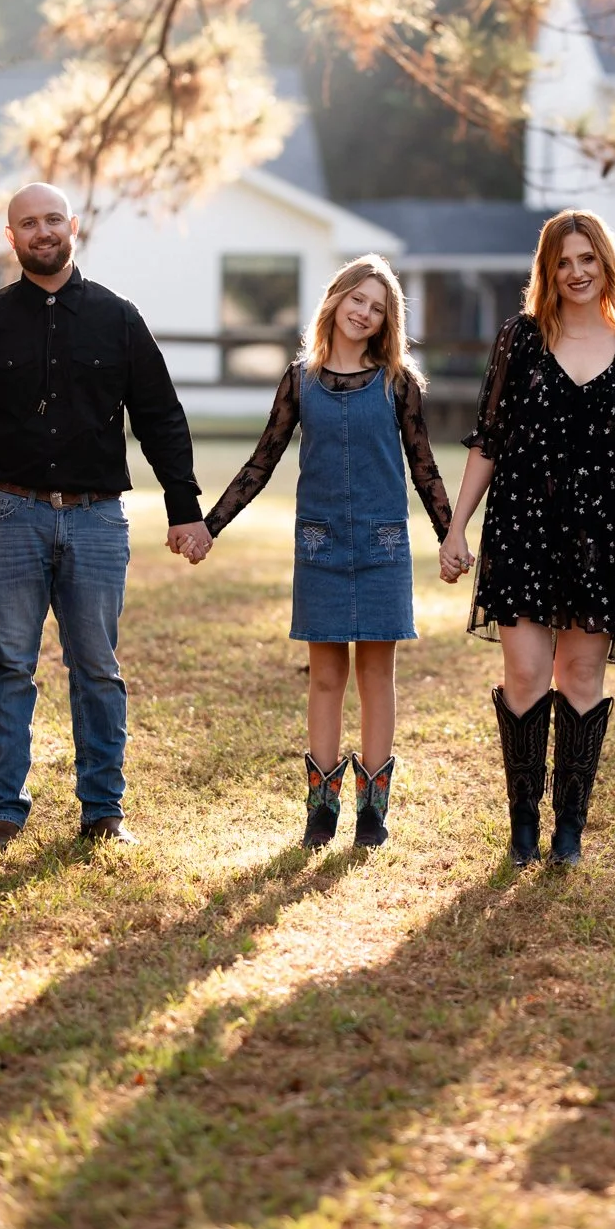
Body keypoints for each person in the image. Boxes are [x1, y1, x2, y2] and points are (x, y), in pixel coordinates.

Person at [0, 183, 212, 850]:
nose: (42, 231)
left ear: (73, 226)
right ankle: (2, 810)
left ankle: (103, 812)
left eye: (52, 218)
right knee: (11, 666)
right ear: (11, 237)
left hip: (96, 520)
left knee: (98, 668)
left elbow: (162, 420)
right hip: (6, 516)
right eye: (28, 223)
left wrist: (184, 508)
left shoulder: (118, 318)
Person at [439, 210, 615, 869]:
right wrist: (456, 526)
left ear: (606, 265)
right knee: (523, 672)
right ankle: (523, 829)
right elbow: (488, 440)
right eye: (562, 261)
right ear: (546, 271)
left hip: (603, 537)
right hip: (522, 528)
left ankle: (567, 833)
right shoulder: (520, 339)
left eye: (587, 260)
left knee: (581, 674)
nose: (575, 272)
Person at [204, 256, 453, 850]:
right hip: (320, 545)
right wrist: (209, 525)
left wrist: (453, 534)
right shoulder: (300, 379)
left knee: (376, 675)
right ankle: (322, 810)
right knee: (325, 677)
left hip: (383, 543)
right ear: (336, 299)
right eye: (357, 300)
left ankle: (374, 811)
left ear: (387, 320)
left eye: (378, 307)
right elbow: (261, 461)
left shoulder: (400, 384)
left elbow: (424, 467)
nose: (364, 313)